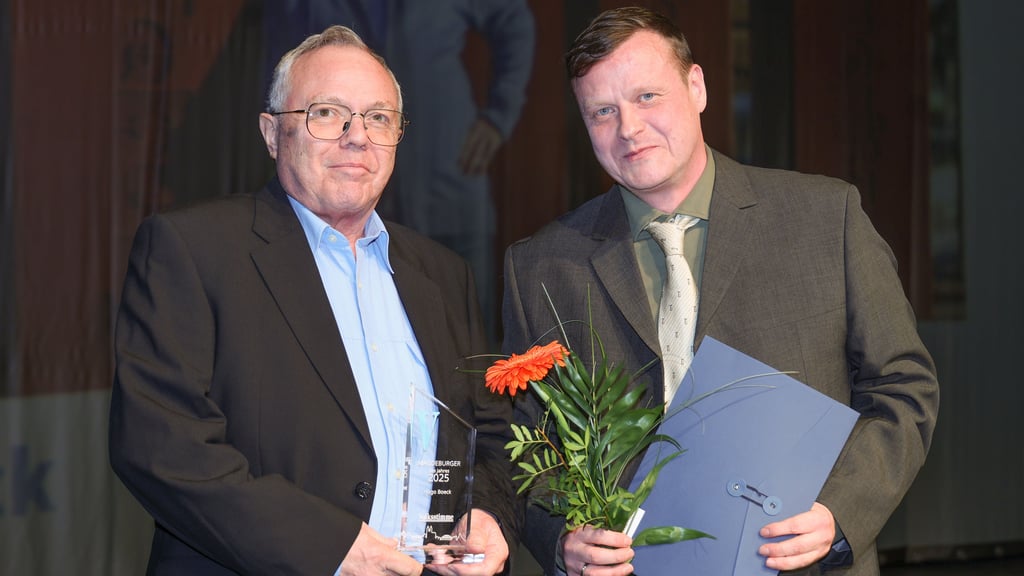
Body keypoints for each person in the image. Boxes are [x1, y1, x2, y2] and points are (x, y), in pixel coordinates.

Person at [501, 7, 939, 576]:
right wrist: (561, 541)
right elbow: (524, 449)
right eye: (602, 111)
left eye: (647, 97)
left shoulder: (826, 218)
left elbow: (902, 388)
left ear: (697, 86)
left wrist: (840, 513)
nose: (628, 128)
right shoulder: (539, 266)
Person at [109, 25, 516, 576]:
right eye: (327, 113)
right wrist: (328, 546)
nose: (357, 137)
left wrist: (487, 514)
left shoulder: (443, 274)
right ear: (272, 134)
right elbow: (163, 448)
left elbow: (491, 432)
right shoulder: (193, 250)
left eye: (379, 118)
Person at [262, 0, 536, 347]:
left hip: (449, 184)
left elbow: (514, 22)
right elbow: (278, 81)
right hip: (339, 215)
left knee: (470, 342)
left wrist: (499, 117)